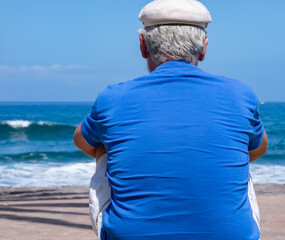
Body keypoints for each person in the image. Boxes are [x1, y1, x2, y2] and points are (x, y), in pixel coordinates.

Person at [74, 0, 268, 239]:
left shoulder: (113, 97)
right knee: (241, 153)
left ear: (143, 45)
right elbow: (259, 148)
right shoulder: (240, 95)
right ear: (204, 47)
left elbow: (81, 141)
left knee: (104, 146)